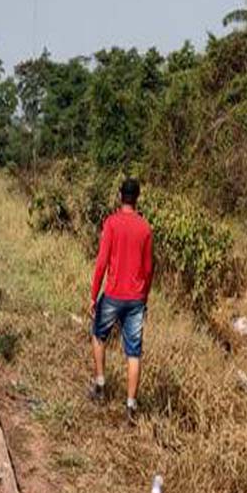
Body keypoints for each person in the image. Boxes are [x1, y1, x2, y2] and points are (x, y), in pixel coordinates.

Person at [89, 178, 154, 424]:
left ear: (120, 196)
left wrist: (94, 296)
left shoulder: (112, 223)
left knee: (98, 335)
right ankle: (130, 406)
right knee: (133, 352)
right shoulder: (145, 228)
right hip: (136, 298)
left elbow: (101, 263)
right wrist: (144, 297)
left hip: (114, 294)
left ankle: (100, 383)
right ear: (137, 197)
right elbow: (149, 270)